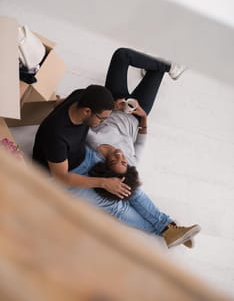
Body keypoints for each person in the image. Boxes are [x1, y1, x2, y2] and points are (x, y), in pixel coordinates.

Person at [33, 48, 200, 248]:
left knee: (127, 183)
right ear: (87, 111)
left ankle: (168, 227)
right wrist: (103, 183)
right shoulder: (57, 135)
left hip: (82, 155)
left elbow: (74, 106)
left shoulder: (80, 97)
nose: (105, 121)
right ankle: (164, 231)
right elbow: (62, 177)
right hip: (65, 175)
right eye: (102, 118)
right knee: (114, 203)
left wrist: (116, 106)